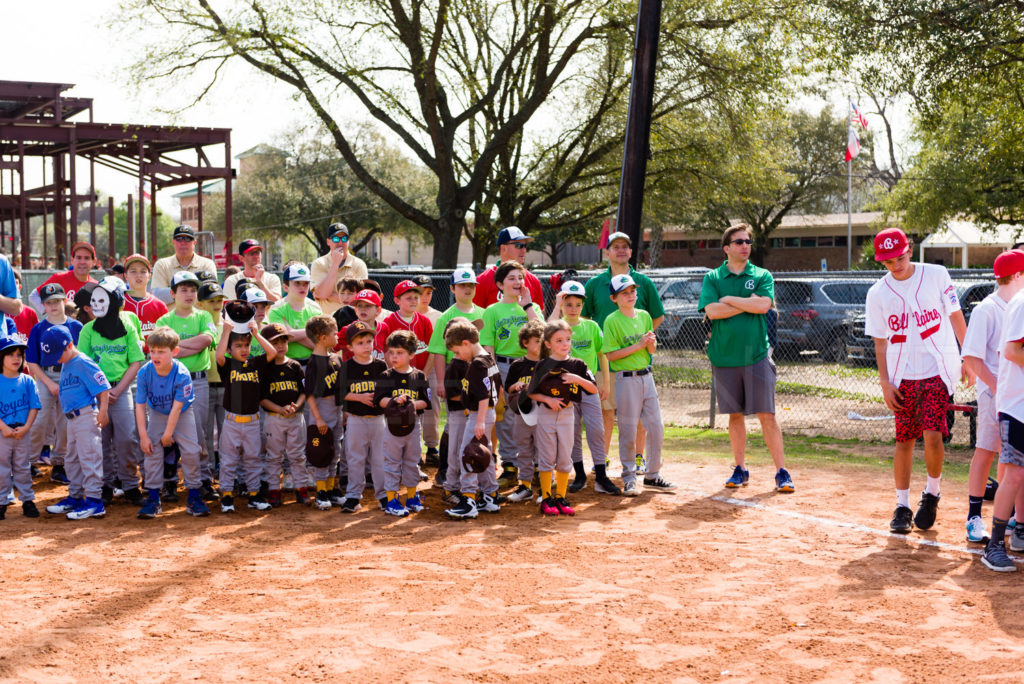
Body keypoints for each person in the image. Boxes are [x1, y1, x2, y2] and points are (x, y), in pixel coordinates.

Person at [864, 228, 968, 534]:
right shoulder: (878, 293)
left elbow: (955, 316)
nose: (895, 264)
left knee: (933, 434)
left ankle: (932, 493)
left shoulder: (936, 274)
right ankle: (901, 505)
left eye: (899, 257)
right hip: (902, 374)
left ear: (909, 249)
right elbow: (880, 341)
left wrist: (968, 357)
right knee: (904, 440)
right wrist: (885, 382)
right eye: (887, 261)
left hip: (937, 369)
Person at [698, 224, 793, 494]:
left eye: (748, 241)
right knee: (735, 415)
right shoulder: (713, 277)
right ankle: (740, 468)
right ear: (727, 248)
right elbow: (712, 312)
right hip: (724, 357)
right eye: (738, 241)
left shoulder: (762, 274)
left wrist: (728, 299)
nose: (745, 245)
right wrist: (743, 302)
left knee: (767, 415)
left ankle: (781, 472)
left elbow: (763, 305)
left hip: (756, 355)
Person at [582, 232, 664, 474]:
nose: (621, 250)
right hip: (604, 361)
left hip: (636, 362)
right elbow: (585, 317)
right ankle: (603, 459)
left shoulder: (643, 282)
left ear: (630, 252)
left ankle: (639, 459)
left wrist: (637, 338)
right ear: (607, 252)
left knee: (638, 415)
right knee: (606, 411)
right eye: (615, 246)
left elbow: (656, 316)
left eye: (625, 247)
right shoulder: (595, 283)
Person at [962, 250, 1024, 543]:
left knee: (1008, 457)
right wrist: (996, 385)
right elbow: (972, 358)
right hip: (993, 392)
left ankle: (1010, 516)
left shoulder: (1014, 305)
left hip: (1012, 394)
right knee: (986, 450)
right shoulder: (987, 309)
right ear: (1017, 276)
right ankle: (974, 516)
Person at [77, 277, 147, 507]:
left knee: (127, 438)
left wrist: (117, 388)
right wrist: (100, 391)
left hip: (121, 390)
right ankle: (106, 485)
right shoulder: (88, 330)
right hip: (95, 394)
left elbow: (136, 361)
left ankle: (129, 484)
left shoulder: (127, 327)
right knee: (102, 440)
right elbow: (83, 363)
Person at [603, 274, 674, 496]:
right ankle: (629, 476)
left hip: (647, 376)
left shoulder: (644, 316)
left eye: (633, 291)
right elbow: (612, 355)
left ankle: (652, 475)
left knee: (656, 427)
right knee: (628, 429)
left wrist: (649, 345)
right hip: (626, 379)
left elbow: (650, 350)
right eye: (625, 292)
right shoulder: (612, 320)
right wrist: (640, 344)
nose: (631, 295)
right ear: (614, 298)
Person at [550, 280, 617, 495]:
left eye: (577, 304)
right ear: (561, 304)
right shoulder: (557, 327)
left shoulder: (591, 326)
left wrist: (604, 382)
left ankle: (601, 476)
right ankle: (578, 474)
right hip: (565, 386)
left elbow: (602, 355)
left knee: (596, 429)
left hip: (588, 384)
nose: (573, 309)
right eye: (568, 304)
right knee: (573, 432)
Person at [134, 327, 208, 519]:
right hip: (158, 412)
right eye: (152, 351)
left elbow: (177, 408)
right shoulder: (144, 372)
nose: (155, 356)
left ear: (174, 352)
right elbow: (140, 406)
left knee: (191, 451)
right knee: (151, 451)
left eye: (161, 351)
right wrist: (143, 436)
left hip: (182, 413)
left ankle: (193, 496)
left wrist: (168, 434)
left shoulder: (181, 373)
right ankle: (153, 498)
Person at [480, 260, 543, 486]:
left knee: (534, 413)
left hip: (531, 365)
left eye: (520, 278)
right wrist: (494, 375)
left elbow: (542, 334)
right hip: (505, 366)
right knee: (506, 416)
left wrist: (528, 307)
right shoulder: (492, 311)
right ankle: (509, 465)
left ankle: (537, 465)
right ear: (500, 284)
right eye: (512, 278)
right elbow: (489, 346)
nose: (518, 282)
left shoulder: (530, 307)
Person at [528, 320, 600, 516]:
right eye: (558, 340)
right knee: (547, 456)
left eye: (567, 339)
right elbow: (531, 392)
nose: (564, 344)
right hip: (547, 413)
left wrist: (577, 379)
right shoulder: (543, 365)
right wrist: (547, 399)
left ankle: (560, 496)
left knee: (564, 456)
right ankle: (546, 497)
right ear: (548, 344)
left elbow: (593, 389)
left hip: (568, 414)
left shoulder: (577, 364)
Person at [156, 271, 217, 501]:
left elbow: (207, 340)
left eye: (192, 289)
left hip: (198, 381)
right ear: (172, 293)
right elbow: (164, 352)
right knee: (168, 432)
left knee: (199, 433)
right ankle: (170, 481)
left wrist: (176, 346)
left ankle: (203, 480)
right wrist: (191, 347)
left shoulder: (203, 316)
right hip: (170, 381)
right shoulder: (164, 320)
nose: (189, 294)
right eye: (183, 289)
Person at [40, 325, 111, 520]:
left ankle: (95, 502)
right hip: (71, 418)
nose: (56, 359)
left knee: (89, 458)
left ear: (70, 345)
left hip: (86, 416)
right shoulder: (67, 362)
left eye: (57, 354)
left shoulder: (82, 362)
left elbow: (103, 387)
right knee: (72, 459)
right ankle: (76, 497)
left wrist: (103, 411)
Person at [981, 270, 1024, 570]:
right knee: (1016, 474)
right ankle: (994, 544)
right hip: (1017, 404)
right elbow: (1011, 351)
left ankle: (1020, 531)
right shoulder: (1022, 302)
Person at [215, 314, 277, 513]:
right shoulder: (228, 365)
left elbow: (272, 352)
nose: (243, 350)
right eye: (239, 346)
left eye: (246, 346)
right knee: (228, 460)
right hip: (232, 421)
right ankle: (226, 495)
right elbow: (218, 356)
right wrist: (226, 332)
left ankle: (253, 495)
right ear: (230, 349)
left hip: (252, 420)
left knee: (253, 459)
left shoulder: (255, 364)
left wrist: (256, 334)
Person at [427, 269, 485, 481]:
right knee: (454, 423)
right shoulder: (446, 317)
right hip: (456, 372)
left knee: (478, 420)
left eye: (471, 285)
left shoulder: (483, 313)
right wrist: (442, 382)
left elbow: (486, 346)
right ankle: (444, 469)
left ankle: (477, 462)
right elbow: (439, 353)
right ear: (452, 288)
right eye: (462, 285)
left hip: (477, 372)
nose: (467, 288)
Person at [26, 283, 84, 486]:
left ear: (64, 301)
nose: (53, 306)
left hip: (70, 378)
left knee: (66, 423)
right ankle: (29, 462)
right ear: (43, 305)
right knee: (39, 420)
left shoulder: (75, 326)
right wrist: (49, 384)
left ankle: (59, 464)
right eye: (49, 302)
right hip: (45, 376)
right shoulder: (39, 328)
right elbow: (32, 361)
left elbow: (81, 356)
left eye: (57, 301)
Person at [444, 318, 501, 520]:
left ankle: (468, 498)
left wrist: (479, 421)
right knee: (483, 454)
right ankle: (490, 495)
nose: (458, 356)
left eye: (458, 351)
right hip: (487, 414)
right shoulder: (488, 357)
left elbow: (484, 395)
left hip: (480, 414)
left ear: (466, 343)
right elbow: (497, 388)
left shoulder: (477, 364)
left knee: (467, 453)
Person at [373, 329, 431, 517]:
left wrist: (411, 403)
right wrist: (394, 400)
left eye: (400, 353)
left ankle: (412, 497)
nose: (394, 356)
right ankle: (391, 500)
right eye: (392, 352)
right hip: (392, 427)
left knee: (412, 462)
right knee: (392, 463)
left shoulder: (419, 376)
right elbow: (379, 400)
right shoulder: (386, 376)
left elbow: (426, 402)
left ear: (412, 354)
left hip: (414, 426)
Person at [340, 321, 388, 514]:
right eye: (360, 343)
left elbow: (387, 390)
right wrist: (358, 397)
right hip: (356, 419)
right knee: (355, 458)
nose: (366, 346)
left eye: (369, 341)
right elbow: (339, 393)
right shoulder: (347, 367)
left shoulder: (380, 365)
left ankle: (384, 495)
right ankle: (353, 496)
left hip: (378, 420)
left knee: (379, 458)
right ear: (350, 347)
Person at [259, 322, 307, 508]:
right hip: (274, 418)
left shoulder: (294, 366)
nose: (280, 346)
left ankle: (301, 488)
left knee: (297, 455)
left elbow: (303, 392)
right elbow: (261, 398)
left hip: (295, 417)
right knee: (274, 456)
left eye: (283, 341)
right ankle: (273, 490)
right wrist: (279, 409)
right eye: (275, 342)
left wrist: (297, 406)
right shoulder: (265, 368)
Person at [304, 315, 344, 510]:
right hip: (321, 409)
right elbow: (309, 394)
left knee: (335, 451)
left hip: (336, 408)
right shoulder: (314, 363)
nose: (337, 336)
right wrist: (318, 418)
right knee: (322, 452)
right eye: (334, 333)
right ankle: (321, 492)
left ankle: (331, 489)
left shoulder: (335, 358)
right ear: (322, 337)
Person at [503, 320, 544, 504]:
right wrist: (517, 386)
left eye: (543, 340)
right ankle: (525, 486)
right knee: (524, 450)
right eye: (536, 340)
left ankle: (544, 487)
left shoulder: (548, 364)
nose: (540, 344)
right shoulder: (518, 365)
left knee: (544, 451)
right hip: (523, 414)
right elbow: (509, 388)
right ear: (525, 342)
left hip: (543, 414)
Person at [0, 336, 41, 519]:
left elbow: (34, 406)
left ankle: (27, 500)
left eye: (19, 354)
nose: (16, 358)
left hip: (22, 432)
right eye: (10, 355)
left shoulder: (27, 380)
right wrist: (3, 428)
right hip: (3, 433)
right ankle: (1, 502)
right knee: (2, 468)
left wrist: (26, 428)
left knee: (23, 467)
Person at [473, 226, 545, 308]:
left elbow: (539, 317)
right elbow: (476, 317)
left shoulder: (533, 280)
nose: (524, 250)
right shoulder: (482, 281)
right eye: (519, 245)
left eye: (525, 246)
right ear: (503, 248)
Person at [268, 263, 321, 367]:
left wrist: (290, 333)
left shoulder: (316, 308)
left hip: (313, 363)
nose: (302, 287)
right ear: (285, 287)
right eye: (297, 283)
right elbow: (281, 338)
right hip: (285, 364)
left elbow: (319, 343)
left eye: (306, 283)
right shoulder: (276, 309)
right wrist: (311, 331)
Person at [310, 223, 369, 316]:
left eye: (344, 239)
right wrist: (335, 264)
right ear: (328, 242)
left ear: (348, 242)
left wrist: (329, 296)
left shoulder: (359, 264)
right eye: (336, 239)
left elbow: (361, 298)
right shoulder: (319, 263)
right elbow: (322, 294)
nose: (340, 243)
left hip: (353, 319)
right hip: (326, 320)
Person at [150, 225, 219, 303]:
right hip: (171, 315)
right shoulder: (162, 265)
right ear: (173, 242)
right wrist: (195, 290)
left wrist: (176, 292)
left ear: (194, 242)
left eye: (187, 239)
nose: (183, 242)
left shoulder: (207, 264)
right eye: (179, 239)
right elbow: (157, 296)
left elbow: (210, 293)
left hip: (199, 315)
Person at [29, 242, 97, 312]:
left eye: (87, 258)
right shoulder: (59, 278)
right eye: (78, 257)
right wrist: (50, 311)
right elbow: (34, 296)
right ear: (72, 260)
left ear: (94, 261)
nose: (82, 262)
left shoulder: (96, 286)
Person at [122, 254, 168, 352]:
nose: (138, 275)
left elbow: (166, 337)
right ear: (126, 275)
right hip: (124, 359)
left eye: (143, 271)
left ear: (149, 276)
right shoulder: (119, 303)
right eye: (133, 271)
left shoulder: (159, 305)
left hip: (153, 358)